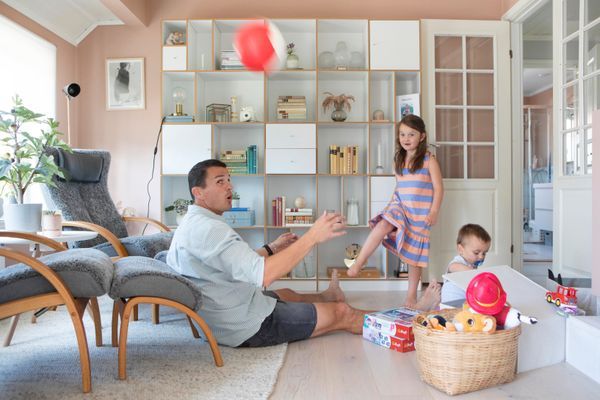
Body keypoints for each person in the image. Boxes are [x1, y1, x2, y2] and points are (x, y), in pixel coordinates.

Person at [166, 159, 441, 348]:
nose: (230, 186)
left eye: (229, 179)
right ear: (198, 193)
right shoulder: (210, 229)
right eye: (220, 182)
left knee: (288, 293)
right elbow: (262, 275)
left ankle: (329, 296)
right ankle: (414, 321)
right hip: (245, 325)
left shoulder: (195, 223)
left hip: (230, 308)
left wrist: (272, 248)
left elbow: (233, 263)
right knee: (343, 314)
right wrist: (312, 236)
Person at [347, 114, 444, 309]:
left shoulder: (428, 160)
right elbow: (399, 187)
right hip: (400, 206)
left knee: (413, 257)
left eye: (411, 134)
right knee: (383, 224)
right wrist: (389, 207)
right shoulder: (398, 160)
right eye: (402, 134)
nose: (406, 138)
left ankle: (411, 297)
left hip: (419, 214)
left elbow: (439, 188)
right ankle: (359, 262)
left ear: (422, 136)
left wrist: (434, 211)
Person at [440, 224, 492, 305]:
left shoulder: (473, 264)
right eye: (476, 253)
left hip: (464, 299)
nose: (481, 257)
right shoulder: (459, 261)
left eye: (484, 253)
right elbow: (452, 267)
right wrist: (472, 272)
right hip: (452, 300)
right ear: (460, 249)